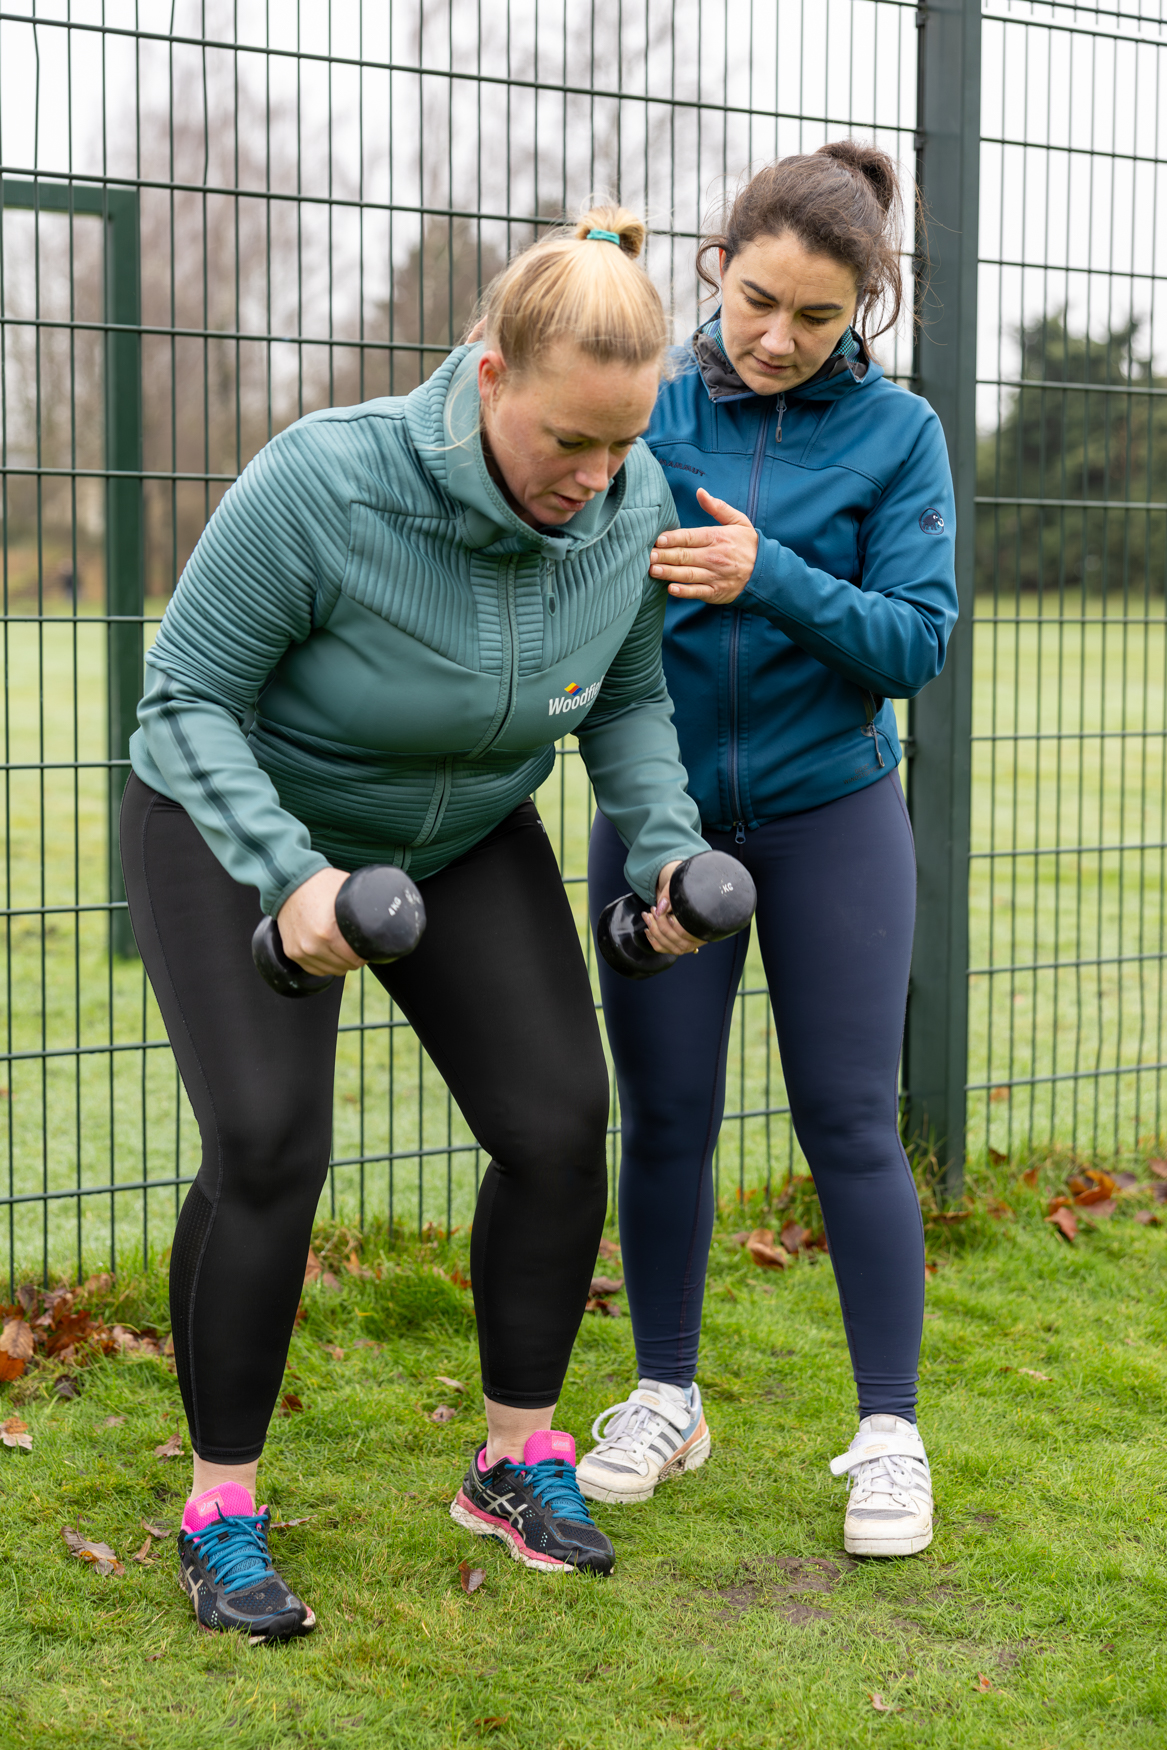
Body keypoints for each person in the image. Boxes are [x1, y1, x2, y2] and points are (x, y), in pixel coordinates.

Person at [122, 206, 709, 1640]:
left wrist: (673, 854)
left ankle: (515, 1459)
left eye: (621, 443)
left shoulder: (631, 504)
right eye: (569, 439)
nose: (595, 476)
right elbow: (181, 700)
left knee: (565, 1123)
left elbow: (626, 701)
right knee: (267, 1145)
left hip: (458, 833)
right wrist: (291, 873)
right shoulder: (327, 482)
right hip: (238, 817)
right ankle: (219, 1507)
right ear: (489, 372)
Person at [579, 143, 958, 1559]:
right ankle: (665, 1396)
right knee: (666, 1118)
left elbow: (916, 638)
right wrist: (570, 293)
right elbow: (508, 439)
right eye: (755, 302)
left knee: (850, 1119)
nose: (780, 338)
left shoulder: (898, 435)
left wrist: (770, 575)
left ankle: (890, 1432)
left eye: (819, 314)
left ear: (866, 303)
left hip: (832, 817)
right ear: (710, 269)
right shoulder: (650, 398)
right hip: (661, 818)